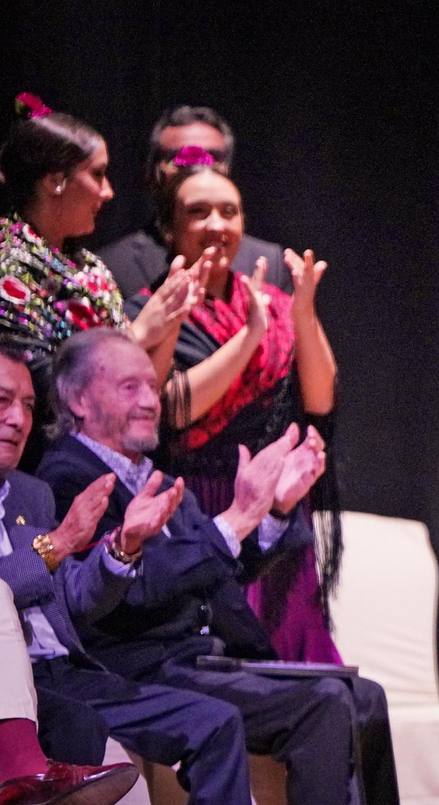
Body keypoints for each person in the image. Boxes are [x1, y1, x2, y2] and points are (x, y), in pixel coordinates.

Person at [34, 329, 399, 805]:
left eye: (153, 385)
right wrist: (235, 519)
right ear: (79, 400)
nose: (150, 400)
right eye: (130, 387)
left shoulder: (152, 471)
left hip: (203, 658)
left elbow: (213, 566)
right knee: (325, 704)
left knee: (366, 697)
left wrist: (274, 512)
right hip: (141, 668)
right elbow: (133, 585)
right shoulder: (67, 478)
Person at [0, 338, 256, 805]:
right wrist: (56, 544)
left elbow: (72, 601)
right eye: (0, 401)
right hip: (2, 685)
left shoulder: (30, 493)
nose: (18, 420)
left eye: (28, 406)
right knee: (84, 731)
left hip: (72, 671)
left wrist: (121, 549)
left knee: (217, 720)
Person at [127, 148, 341, 663]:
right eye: (198, 212)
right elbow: (168, 411)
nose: (216, 224)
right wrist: (248, 339)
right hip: (199, 505)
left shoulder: (268, 300)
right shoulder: (150, 308)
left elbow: (320, 398)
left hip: (276, 502)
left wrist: (305, 313)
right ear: (169, 229)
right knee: (226, 666)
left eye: (229, 211)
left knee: (296, 667)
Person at [0, 96, 201, 376]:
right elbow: (36, 390)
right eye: (97, 174)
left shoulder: (87, 265)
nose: (108, 191)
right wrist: (138, 335)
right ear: (54, 181)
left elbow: (137, 382)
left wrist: (170, 323)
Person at [0, 572, 139, 805]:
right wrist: (48, 551)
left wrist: (118, 555)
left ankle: (28, 773)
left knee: (78, 723)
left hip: (58, 670)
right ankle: (23, 771)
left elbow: (75, 595)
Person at [96, 105, 291, 297]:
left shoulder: (268, 260)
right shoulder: (113, 267)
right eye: (181, 158)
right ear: (151, 174)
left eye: (211, 158)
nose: (198, 169)